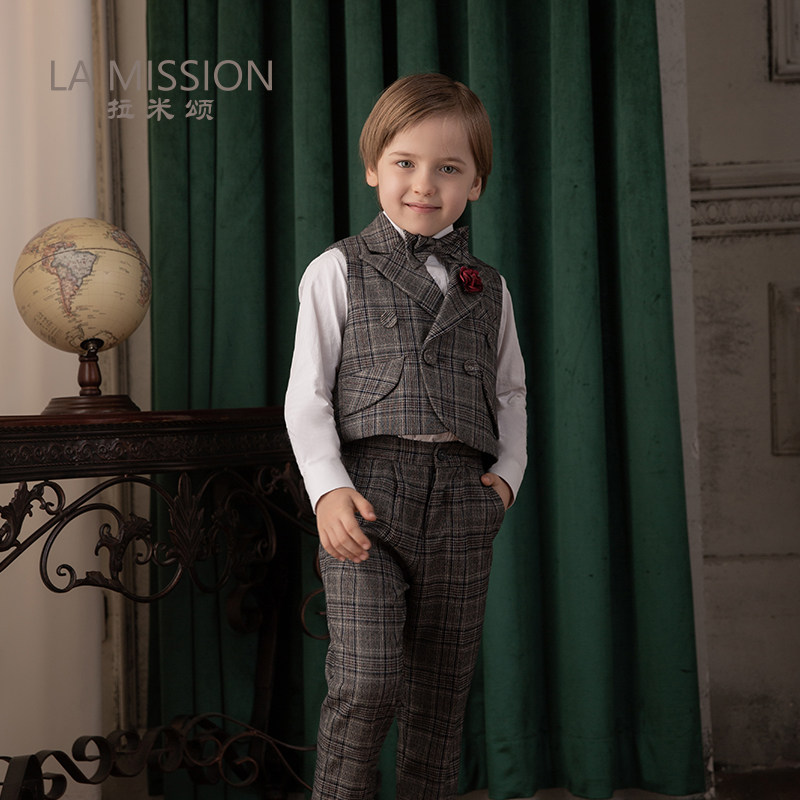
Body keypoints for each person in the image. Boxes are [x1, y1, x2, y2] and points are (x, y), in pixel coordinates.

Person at [285, 72, 527, 800]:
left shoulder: (490, 287)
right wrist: (328, 490)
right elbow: (307, 395)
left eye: (449, 168)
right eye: (405, 163)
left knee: (439, 702)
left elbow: (510, 391)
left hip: (461, 502)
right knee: (365, 684)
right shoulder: (337, 269)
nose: (425, 184)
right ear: (373, 168)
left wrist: (505, 479)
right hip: (367, 502)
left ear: (476, 183)